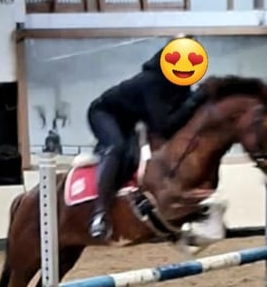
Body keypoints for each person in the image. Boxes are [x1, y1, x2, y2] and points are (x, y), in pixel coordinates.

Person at [85, 39, 209, 241]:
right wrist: (196, 99)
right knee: (117, 147)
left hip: (132, 121)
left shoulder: (181, 82)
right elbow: (165, 124)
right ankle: (99, 214)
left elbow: (178, 121)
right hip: (105, 114)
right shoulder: (152, 82)